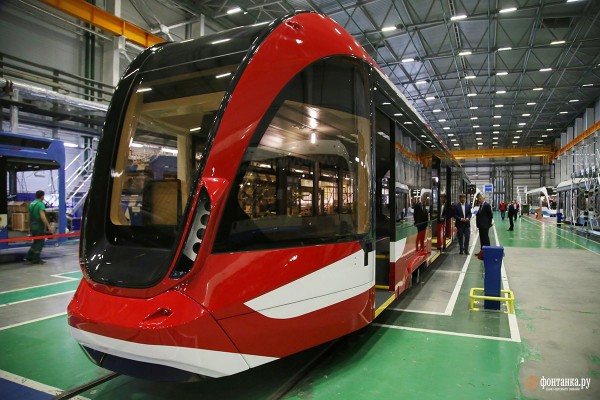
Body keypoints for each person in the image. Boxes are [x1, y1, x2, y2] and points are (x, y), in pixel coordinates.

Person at [25, 190, 52, 264]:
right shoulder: (40, 204)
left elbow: (29, 215)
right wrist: (48, 226)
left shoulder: (32, 203)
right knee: (40, 242)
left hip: (32, 225)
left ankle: (28, 257)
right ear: (42, 196)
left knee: (36, 241)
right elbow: (43, 216)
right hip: (39, 226)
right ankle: (36, 259)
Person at [475, 193, 493, 257]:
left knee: (485, 239)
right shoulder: (480, 206)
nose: (479, 200)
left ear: (483, 198)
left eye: (480, 198)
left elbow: (490, 216)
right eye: (478, 199)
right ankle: (482, 252)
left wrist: (488, 224)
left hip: (485, 226)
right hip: (480, 226)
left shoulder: (487, 205)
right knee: (482, 239)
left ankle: (487, 253)